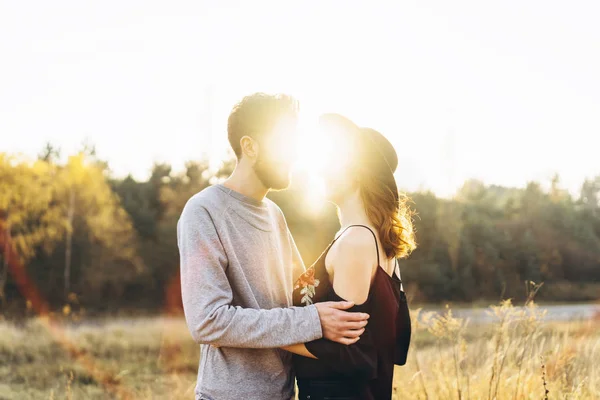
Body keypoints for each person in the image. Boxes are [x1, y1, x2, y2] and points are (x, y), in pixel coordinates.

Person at [177, 94, 370, 400]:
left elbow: (299, 294)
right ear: (249, 146)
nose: (294, 155)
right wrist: (313, 321)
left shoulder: (273, 213)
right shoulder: (204, 211)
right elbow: (207, 321)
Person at [282, 113, 416, 400]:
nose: (321, 171)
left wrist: (269, 336)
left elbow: (350, 353)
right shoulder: (376, 244)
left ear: (356, 173)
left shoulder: (356, 242)